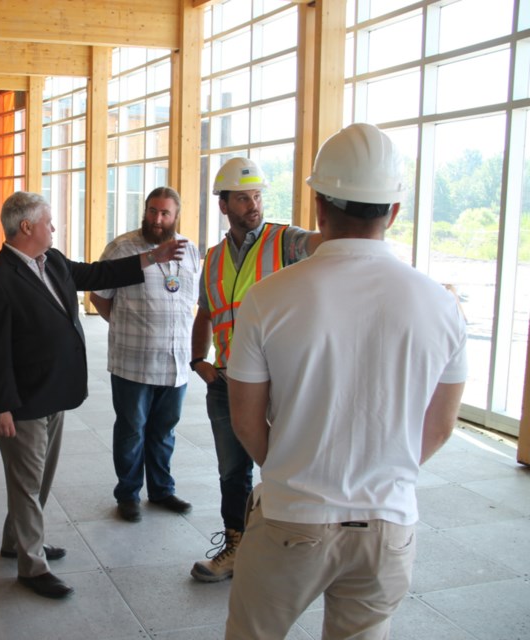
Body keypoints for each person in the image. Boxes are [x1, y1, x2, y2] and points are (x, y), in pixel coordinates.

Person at [224, 123, 468, 638]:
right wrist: (386, 468)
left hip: (293, 517)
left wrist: (297, 465)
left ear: (318, 206)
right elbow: (441, 427)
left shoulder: (269, 298)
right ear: (395, 211)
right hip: (389, 525)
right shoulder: (441, 305)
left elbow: (246, 421)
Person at [0, 191, 187, 599]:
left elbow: (95, 275)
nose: (54, 228)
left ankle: (16, 540)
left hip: (56, 392)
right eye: (49, 222)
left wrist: (152, 258)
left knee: (38, 479)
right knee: (26, 483)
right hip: (23, 400)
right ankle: (31, 567)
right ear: (26, 227)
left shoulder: (51, 262)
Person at [189, 158, 323, 583]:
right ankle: (237, 544)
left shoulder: (284, 242)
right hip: (227, 381)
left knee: (286, 465)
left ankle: (294, 549)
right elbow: (206, 313)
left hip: (279, 382)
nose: (254, 205)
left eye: (258, 196)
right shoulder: (211, 258)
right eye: (243, 198)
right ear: (223, 204)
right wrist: (198, 361)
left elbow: (325, 244)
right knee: (232, 471)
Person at [89, 187, 201, 523]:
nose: (157, 219)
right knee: (132, 429)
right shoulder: (123, 249)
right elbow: (100, 297)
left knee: (164, 430)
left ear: (175, 215)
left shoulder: (190, 251)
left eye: (165, 213)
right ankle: (128, 494)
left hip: (175, 361)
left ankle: (162, 490)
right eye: (152, 211)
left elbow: (190, 302)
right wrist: (125, 327)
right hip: (133, 360)